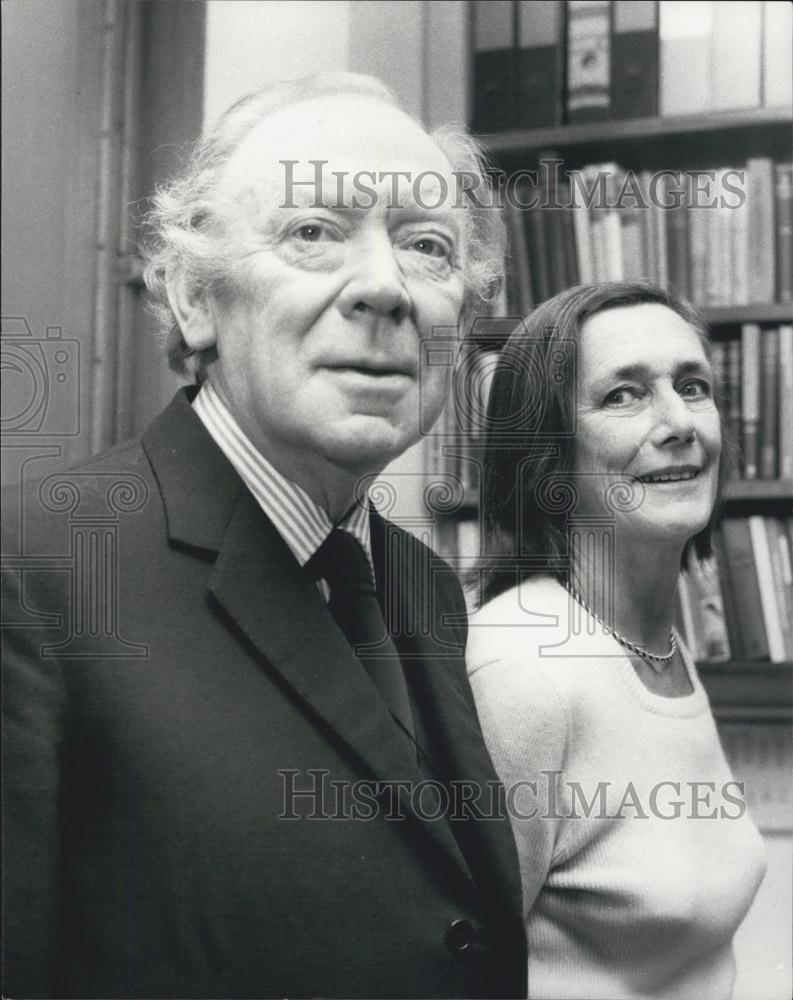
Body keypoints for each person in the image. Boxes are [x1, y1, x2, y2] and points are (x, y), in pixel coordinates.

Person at [1, 73, 527, 999]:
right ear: (196, 299)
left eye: (427, 246)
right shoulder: (36, 570)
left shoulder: (421, 584)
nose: (384, 285)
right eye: (313, 233)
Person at [466, 282, 767, 999]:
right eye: (622, 396)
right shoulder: (524, 667)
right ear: (545, 458)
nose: (677, 422)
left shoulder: (658, 644)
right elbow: (454, 968)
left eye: (691, 386)